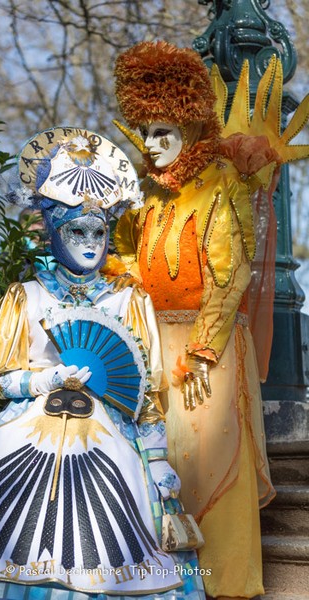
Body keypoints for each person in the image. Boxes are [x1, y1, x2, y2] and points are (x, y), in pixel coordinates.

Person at [0, 126, 206, 600]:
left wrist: (157, 460)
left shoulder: (128, 300)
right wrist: (45, 377)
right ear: (53, 231)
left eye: (98, 231)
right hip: (26, 433)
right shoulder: (24, 297)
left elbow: (146, 395)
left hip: (113, 442)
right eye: (76, 230)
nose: (90, 241)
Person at [112, 41, 309, 600]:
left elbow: (230, 275)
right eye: (145, 133)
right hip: (150, 345)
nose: (150, 147)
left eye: (163, 133)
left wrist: (201, 349)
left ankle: (223, 584)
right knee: (160, 464)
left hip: (208, 351)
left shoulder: (223, 185)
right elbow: (126, 263)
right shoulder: (145, 195)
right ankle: (166, 583)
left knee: (209, 461)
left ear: (193, 127)